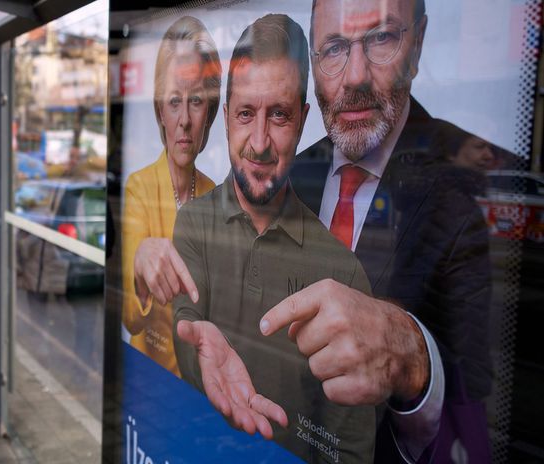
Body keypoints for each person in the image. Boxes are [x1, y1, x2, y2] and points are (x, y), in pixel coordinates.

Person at [286, 0, 492, 461]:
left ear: (417, 46)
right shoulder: (291, 175)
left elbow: (484, 410)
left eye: (381, 38)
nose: (355, 76)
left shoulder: (467, 192)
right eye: (334, 48)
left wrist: (414, 364)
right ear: (314, 64)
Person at [171, 15, 376, 462]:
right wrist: (197, 349)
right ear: (227, 117)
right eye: (246, 113)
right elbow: (184, 324)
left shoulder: (343, 274)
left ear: (303, 120)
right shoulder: (193, 224)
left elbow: (350, 451)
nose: (260, 142)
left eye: (279, 115)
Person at [121, 15, 221, 376]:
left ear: (209, 112)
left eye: (196, 101)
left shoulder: (217, 196)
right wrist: (138, 268)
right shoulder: (139, 188)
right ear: (160, 111)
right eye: (174, 101)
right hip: (153, 384)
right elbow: (130, 318)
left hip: (204, 388)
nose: (185, 120)